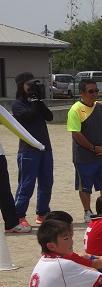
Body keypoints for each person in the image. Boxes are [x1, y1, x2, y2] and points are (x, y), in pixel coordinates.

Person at [67, 78, 102, 223]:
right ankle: (87, 212)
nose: (94, 94)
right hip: (84, 156)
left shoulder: (99, 107)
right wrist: (93, 148)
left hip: (100, 154)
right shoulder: (75, 109)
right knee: (85, 186)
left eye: (96, 91)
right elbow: (76, 134)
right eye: (91, 91)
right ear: (82, 93)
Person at [12, 72, 54, 228]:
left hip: (45, 149)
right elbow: (29, 116)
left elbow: (49, 116)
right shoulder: (17, 104)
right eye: (29, 84)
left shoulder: (36, 101)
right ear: (21, 86)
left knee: (46, 183)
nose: (32, 87)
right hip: (28, 150)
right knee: (26, 184)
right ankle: (18, 215)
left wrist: (38, 99)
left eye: (34, 84)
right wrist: (34, 101)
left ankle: (42, 212)